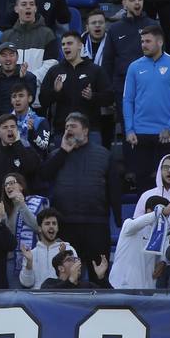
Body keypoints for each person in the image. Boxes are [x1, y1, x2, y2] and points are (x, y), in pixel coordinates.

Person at [40, 112, 120, 273]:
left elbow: (114, 189)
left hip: (96, 225)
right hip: (65, 225)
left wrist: (118, 219)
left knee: (99, 275)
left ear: (85, 131)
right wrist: (63, 151)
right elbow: (43, 176)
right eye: (66, 126)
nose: (68, 129)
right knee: (67, 275)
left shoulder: (104, 155)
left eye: (73, 126)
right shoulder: (57, 155)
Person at [122, 25, 170, 189]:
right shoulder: (134, 67)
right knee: (143, 185)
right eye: (142, 41)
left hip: (166, 134)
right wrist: (129, 129)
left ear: (159, 42)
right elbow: (127, 100)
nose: (143, 45)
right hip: (140, 134)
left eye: (148, 41)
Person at [110, 196, 170, 290]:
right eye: (161, 214)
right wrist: (160, 213)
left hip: (146, 289)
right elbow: (137, 223)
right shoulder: (129, 224)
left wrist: (163, 261)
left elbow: (167, 247)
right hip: (122, 286)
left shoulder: (162, 233)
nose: (163, 218)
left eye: (165, 216)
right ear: (148, 211)